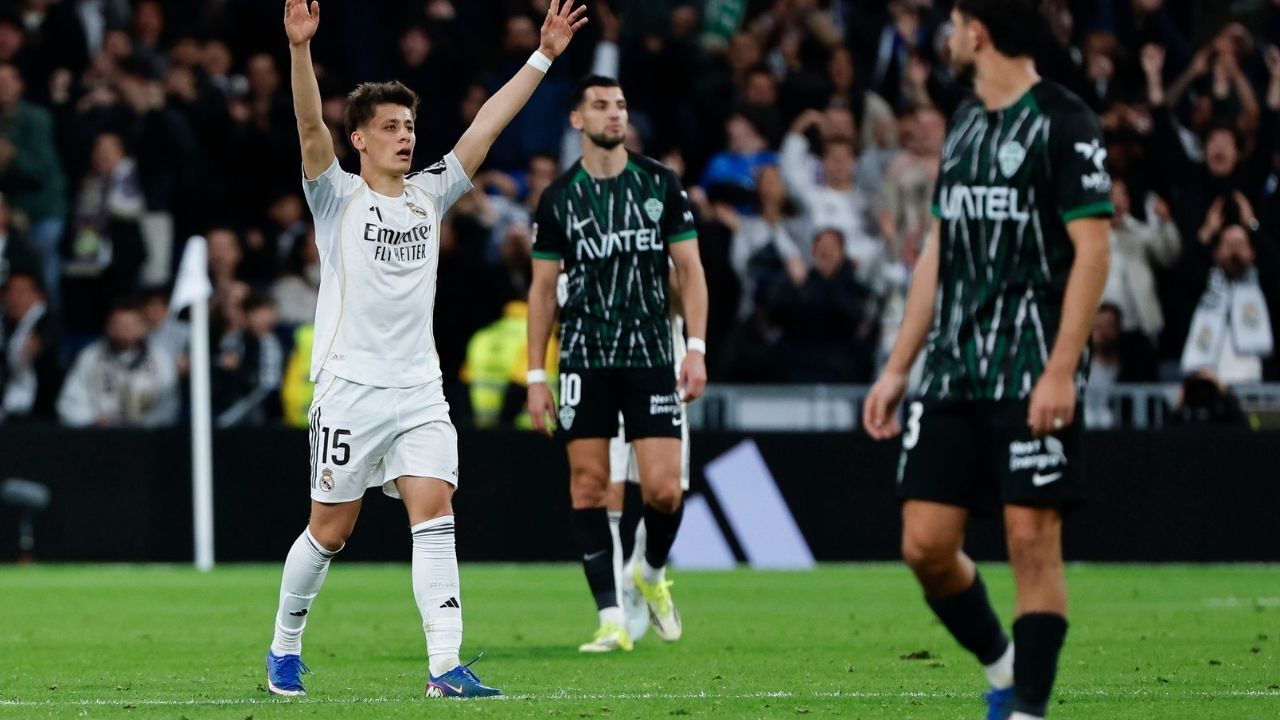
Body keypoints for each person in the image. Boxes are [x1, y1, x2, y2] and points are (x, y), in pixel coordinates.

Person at [265, 0, 587, 700]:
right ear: (359, 139)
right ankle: (284, 646)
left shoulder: (430, 195)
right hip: (349, 388)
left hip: (419, 390)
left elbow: (487, 125)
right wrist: (299, 49)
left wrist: (543, 56)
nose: (405, 137)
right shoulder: (335, 196)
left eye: (409, 126)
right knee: (329, 532)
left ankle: (445, 667)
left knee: (435, 515)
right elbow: (310, 125)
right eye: (390, 127)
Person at [862, 2, 1113, 719]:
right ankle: (1003, 666)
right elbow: (936, 253)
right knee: (925, 545)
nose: (947, 37)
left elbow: (1094, 252)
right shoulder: (967, 123)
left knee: (1031, 539)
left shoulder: (1066, 122)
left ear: (978, 33)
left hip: (1032, 365)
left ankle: (1028, 709)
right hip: (954, 367)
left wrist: (1062, 369)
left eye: (953, 23)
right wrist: (898, 366)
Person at [526, 75, 708, 653]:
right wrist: (536, 374)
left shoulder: (659, 183)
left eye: (622, 105)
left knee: (664, 491)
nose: (615, 114)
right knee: (589, 485)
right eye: (602, 105)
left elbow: (691, 271)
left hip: (652, 353)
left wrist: (697, 347)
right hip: (584, 357)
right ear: (577, 119)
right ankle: (610, 617)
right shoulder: (559, 198)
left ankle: (649, 574)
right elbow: (542, 291)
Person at [56, 298, 179, 428]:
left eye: (131, 324)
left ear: (144, 326)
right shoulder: (90, 357)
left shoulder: (160, 358)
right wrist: (94, 419)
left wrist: (144, 423)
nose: (125, 330)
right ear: (108, 326)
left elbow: (169, 405)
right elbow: (68, 404)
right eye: (119, 324)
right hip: (99, 433)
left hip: (148, 434)